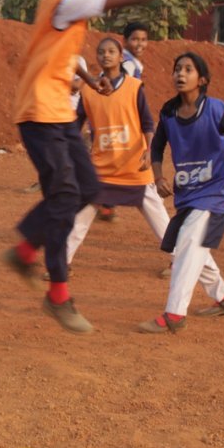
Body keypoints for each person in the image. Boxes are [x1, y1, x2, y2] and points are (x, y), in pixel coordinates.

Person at [5, 0, 219, 333]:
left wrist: (88, 81)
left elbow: (63, 55)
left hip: (58, 114)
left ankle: (28, 251)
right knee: (65, 195)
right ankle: (51, 284)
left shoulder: (65, 2)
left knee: (86, 190)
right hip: (38, 113)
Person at [138, 51, 224, 334]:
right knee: (193, 246)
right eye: (177, 69)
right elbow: (156, 147)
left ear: (201, 79)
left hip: (216, 192)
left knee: (188, 244)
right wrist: (158, 175)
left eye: (188, 69)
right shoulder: (169, 112)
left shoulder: (216, 109)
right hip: (187, 193)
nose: (180, 74)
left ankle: (174, 314)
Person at [64, 37, 172, 273]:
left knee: (158, 216)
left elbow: (147, 123)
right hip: (102, 167)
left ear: (121, 57)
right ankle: (62, 263)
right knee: (81, 216)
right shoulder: (89, 92)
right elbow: (77, 124)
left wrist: (148, 150)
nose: (106, 55)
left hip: (133, 166)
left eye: (112, 51)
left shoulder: (134, 87)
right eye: (101, 52)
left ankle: (180, 258)